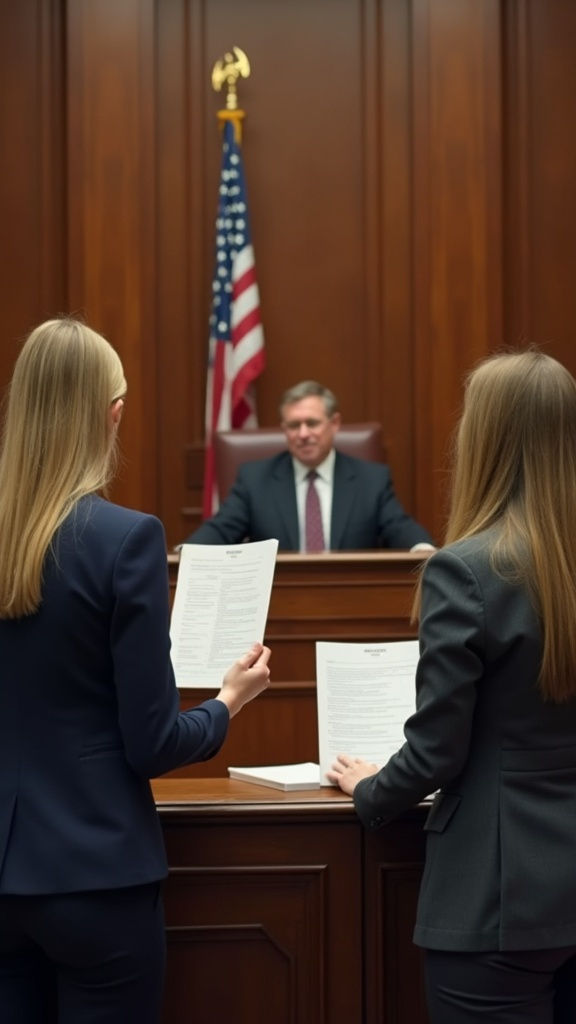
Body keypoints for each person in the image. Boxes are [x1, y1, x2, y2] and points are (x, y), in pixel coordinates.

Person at [0, 318, 271, 1024]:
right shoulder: (125, 540)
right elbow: (151, 743)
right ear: (111, 414)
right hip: (96, 878)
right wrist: (227, 704)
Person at [327, 349, 576, 1023]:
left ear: (484, 439)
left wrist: (371, 790)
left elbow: (439, 750)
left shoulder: (463, 571)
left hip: (498, 896)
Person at [187, 380, 435, 551]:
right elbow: (221, 529)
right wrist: (186, 553)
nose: (303, 434)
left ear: (334, 423)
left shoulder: (371, 480)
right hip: (279, 603)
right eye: (294, 426)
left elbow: (399, 526)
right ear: (284, 430)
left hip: (351, 600)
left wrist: (422, 548)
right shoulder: (255, 480)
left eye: (312, 423)